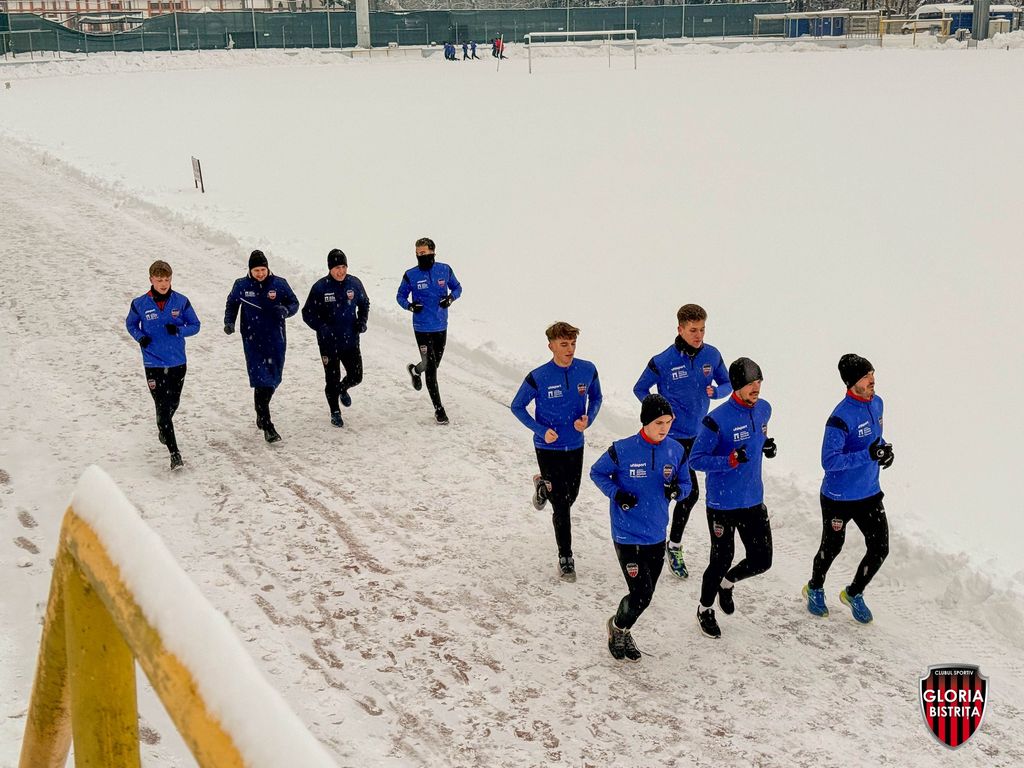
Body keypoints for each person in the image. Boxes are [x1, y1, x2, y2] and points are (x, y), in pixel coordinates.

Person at [632, 303, 731, 579]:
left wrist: (717, 391)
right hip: (669, 438)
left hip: (697, 437)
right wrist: (658, 413)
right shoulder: (663, 360)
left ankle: (670, 545)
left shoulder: (712, 355)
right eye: (693, 330)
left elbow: (727, 383)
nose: (698, 335)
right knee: (669, 492)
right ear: (680, 329)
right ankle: (650, 543)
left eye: (702, 330)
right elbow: (640, 388)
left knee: (685, 493)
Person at [590, 394, 688, 662]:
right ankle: (617, 627)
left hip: (656, 535)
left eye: (668, 422)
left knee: (646, 595)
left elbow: (686, 484)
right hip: (627, 534)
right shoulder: (622, 449)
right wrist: (617, 493)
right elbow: (597, 472)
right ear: (645, 422)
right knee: (641, 593)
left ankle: (622, 628)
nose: (664, 428)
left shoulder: (676, 451)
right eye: (659, 423)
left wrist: (677, 490)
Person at [803, 354, 893, 624]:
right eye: (866, 376)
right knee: (832, 547)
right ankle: (815, 588)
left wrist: (884, 451)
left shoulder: (877, 403)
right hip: (838, 498)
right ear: (852, 382)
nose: (872, 379)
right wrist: (868, 455)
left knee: (880, 548)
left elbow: (875, 440)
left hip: (869, 492)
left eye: (872, 373)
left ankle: (854, 592)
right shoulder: (839, 418)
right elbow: (829, 461)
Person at [689, 357, 775, 639]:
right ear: (737, 386)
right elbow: (696, 459)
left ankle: (727, 583)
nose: (756, 388)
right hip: (722, 505)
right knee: (721, 559)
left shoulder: (764, 409)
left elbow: (756, 438)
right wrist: (730, 460)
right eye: (750, 383)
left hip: (753, 500)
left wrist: (767, 446)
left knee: (762, 560)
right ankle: (704, 609)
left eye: (759, 382)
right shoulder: (716, 421)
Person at [511, 322, 603, 581]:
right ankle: (566, 557)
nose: (570, 349)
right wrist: (540, 430)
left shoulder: (587, 369)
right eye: (564, 344)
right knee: (561, 505)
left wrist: (588, 419)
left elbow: (597, 398)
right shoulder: (538, 376)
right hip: (547, 447)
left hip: (575, 444)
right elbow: (517, 406)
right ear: (551, 346)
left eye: (573, 344)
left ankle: (543, 487)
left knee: (571, 496)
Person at [124, 260, 201, 470]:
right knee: (162, 406)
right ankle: (175, 453)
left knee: (173, 403)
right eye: (159, 280)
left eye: (166, 279)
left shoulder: (181, 301)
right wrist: (140, 337)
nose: (163, 284)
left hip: (177, 362)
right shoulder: (139, 303)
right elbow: (130, 324)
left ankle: (163, 427)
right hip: (153, 363)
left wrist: (179, 330)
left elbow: (196, 325)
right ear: (151, 280)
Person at [224, 250, 300, 443]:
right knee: (261, 380)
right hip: (253, 340)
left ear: (268, 268)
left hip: (276, 339)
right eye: (256, 270)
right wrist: (229, 322)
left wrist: (286, 310)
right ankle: (267, 425)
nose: (260, 274)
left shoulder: (279, 284)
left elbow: (294, 302)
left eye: (262, 270)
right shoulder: (241, 285)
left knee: (273, 379)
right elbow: (232, 303)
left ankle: (260, 410)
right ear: (250, 270)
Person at [396, 237, 462, 425]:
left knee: (433, 363)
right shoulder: (411, 274)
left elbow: (458, 288)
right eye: (418, 254)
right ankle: (439, 409)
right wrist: (410, 306)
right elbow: (400, 296)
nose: (420, 256)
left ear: (432, 252)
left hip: (441, 326)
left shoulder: (445, 270)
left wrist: (450, 299)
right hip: (421, 327)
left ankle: (415, 370)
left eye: (423, 253)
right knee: (431, 369)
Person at [301, 249, 370, 428]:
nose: (341, 271)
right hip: (328, 344)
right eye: (337, 268)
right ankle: (335, 411)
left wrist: (361, 321)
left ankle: (342, 389)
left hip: (350, 341)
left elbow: (364, 303)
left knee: (356, 376)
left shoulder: (354, 283)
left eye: (343, 267)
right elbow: (307, 313)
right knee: (332, 379)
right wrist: (322, 327)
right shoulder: (320, 287)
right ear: (330, 269)